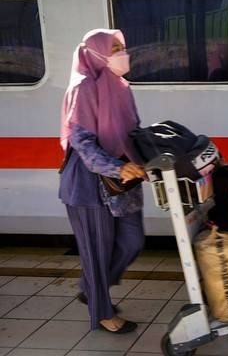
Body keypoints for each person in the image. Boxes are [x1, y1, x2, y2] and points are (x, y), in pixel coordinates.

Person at [58, 29, 147, 333]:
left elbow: (132, 130)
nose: (123, 54)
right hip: (88, 184)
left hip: (122, 179)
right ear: (95, 53)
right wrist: (115, 168)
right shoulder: (83, 88)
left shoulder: (121, 85)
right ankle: (102, 313)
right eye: (115, 49)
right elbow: (82, 142)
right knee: (96, 253)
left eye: (122, 46)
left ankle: (91, 287)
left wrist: (155, 150)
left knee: (132, 241)